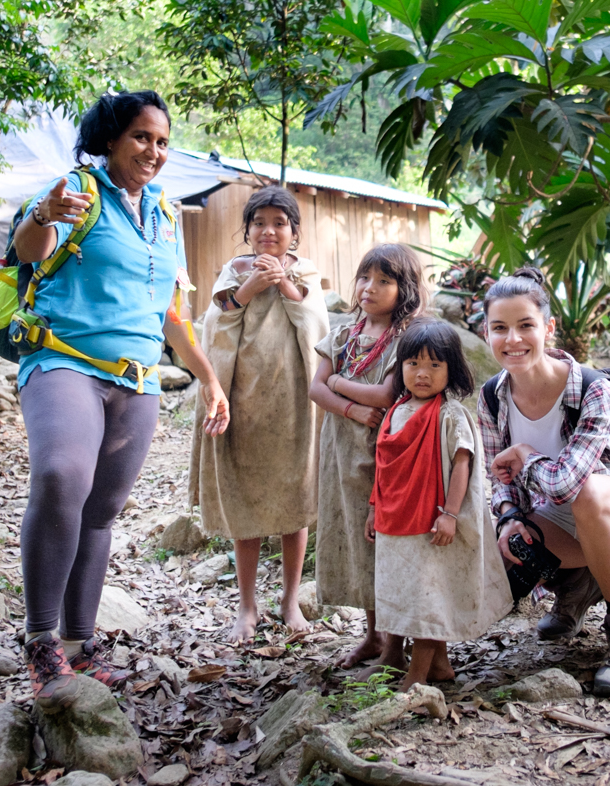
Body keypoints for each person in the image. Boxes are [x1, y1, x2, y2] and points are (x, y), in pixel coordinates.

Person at [11, 90, 230, 712]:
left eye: (162, 141)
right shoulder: (73, 192)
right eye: (141, 137)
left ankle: (80, 642)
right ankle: (40, 640)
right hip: (65, 361)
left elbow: (170, 314)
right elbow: (31, 249)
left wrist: (208, 379)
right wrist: (43, 216)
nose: (153, 152)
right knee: (61, 477)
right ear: (111, 138)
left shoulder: (164, 213)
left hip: (136, 379)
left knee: (102, 511)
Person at [478, 267, 610, 697]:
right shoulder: (492, 396)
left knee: (587, 493)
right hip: (558, 513)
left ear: (548, 327)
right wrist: (507, 518)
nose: (513, 340)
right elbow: (498, 477)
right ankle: (578, 585)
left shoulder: (595, 389)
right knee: (493, 544)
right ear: (486, 331)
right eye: (500, 328)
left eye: (526, 326)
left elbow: (566, 483)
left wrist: (525, 455)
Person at [189, 186, 329, 641]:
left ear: (294, 232)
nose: (270, 231)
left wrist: (284, 284)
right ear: (247, 230)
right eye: (260, 223)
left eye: (280, 223)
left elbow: (317, 328)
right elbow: (215, 325)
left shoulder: (305, 272)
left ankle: (290, 601)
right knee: (245, 499)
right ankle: (246, 606)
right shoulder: (232, 272)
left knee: (295, 498)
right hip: (243, 399)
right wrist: (249, 288)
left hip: (293, 402)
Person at [367, 319, 512, 689]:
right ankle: (416, 661)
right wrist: (373, 507)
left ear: (452, 370)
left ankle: (417, 678)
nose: (422, 374)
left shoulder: (451, 415)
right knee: (400, 594)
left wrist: (450, 515)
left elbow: (462, 465)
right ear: (400, 368)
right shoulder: (395, 411)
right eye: (413, 364)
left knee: (430, 600)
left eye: (435, 365)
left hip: (431, 524)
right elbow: (384, 468)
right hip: (395, 522)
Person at [309, 243, 427, 671]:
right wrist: (353, 408)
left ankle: (395, 644)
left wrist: (338, 382)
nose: (369, 288)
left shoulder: (407, 339)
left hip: (385, 457)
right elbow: (315, 388)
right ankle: (372, 635)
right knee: (357, 543)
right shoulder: (344, 335)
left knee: (383, 542)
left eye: (384, 281)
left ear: (406, 289)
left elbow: (385, 393)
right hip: (341, 451)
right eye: (364, 277)